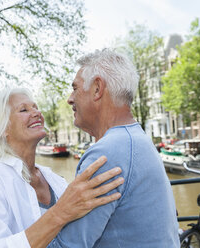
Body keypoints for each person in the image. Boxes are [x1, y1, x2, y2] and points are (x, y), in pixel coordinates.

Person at [47, 49, 180, 247]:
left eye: (75, 88)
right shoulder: (138, 138)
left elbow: (68, 245)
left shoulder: (106, 154)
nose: (70, 98)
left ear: (97, 88)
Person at [0, 88, 124, 247]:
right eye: (24, 110)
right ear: (3, 129)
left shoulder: (53, 178)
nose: (37, 113)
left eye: (36, 107)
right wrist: (59, 213)